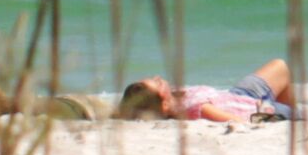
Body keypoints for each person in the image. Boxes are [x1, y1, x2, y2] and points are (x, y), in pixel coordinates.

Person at [118, 58, 297, 123]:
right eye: (158, 83)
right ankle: (287, 114)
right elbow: (238, 121)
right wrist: (266, 110)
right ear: (164, 105)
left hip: (238, 94)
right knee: (300, 116)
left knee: (280, 66)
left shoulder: (173, 95)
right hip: (256, 108)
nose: (159, 78)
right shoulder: (195, 108)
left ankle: (286, 108)